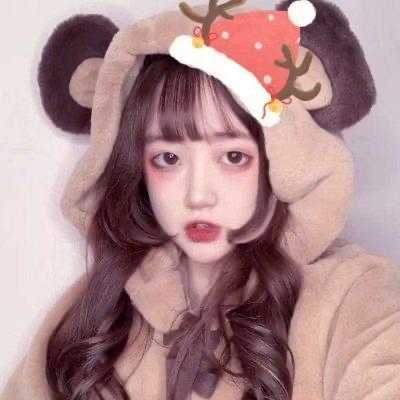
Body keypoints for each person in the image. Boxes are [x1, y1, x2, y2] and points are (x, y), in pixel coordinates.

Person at [2, 0, 400, 399]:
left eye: (233, 157)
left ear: (279, 161)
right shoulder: (95, 316)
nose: (198, 195)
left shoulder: (355, 296)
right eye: (168, 159)